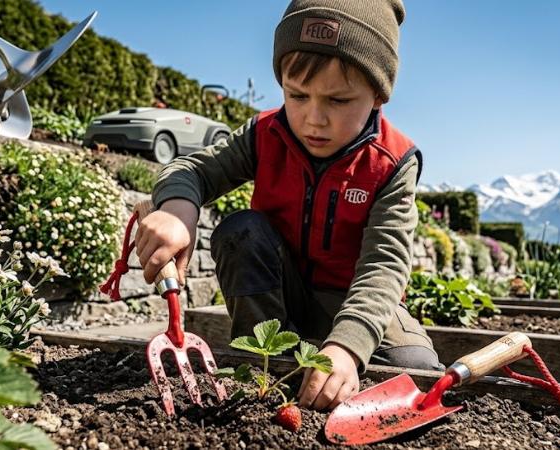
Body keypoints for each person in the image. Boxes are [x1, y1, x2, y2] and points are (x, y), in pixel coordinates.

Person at [134, 0, 440, 411]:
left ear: (378, 96)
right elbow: (194, 169)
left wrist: (348, 347)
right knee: (241, 231)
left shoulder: (391, 161)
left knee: (415, 365)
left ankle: (330, 358)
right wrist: (175, 210)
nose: (314, 118)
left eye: (338, 100)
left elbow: (384, 267)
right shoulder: (266, 133)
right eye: (297, 95)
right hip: (279, 298)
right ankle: (266, 368)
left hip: (350, 300)